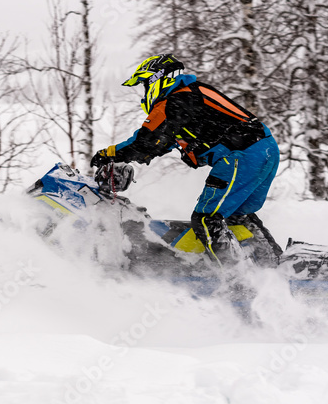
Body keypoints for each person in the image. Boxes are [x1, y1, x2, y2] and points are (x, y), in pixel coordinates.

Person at [91, 54, 283, 266]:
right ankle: (274, 264)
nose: (145, 93)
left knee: (206, 218)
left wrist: (109, 154)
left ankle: (235, 279)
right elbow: (158, 145)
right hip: (264, 150)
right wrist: (131, 157)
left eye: (146, 85)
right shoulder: (189, 98)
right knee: (237, 216)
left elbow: (147, 141)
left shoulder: (176, 99)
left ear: (157, 79)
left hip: (243, 155)